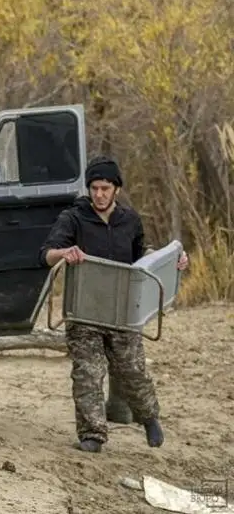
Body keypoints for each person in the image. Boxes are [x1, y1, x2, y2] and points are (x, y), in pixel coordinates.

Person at [39, 155, 189, 453]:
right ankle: (92, 434)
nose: (99, 194)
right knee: (88, 372)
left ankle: (149, 418)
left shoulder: (129, 220)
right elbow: (45, 254)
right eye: (94, 188)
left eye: (105, 188)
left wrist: (172, 261)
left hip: (122, 310)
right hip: (85, 310)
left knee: (132, 370)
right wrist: (65, 253)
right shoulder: (73, 218)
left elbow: (142, 254)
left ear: (116, 189)